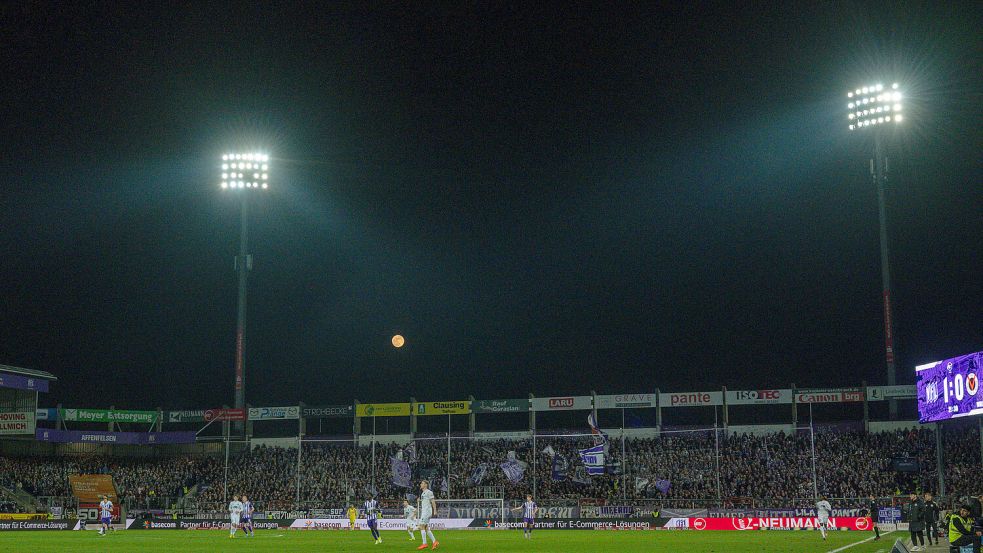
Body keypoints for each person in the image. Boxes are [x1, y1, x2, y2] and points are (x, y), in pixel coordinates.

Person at [416, 480, 439, 550]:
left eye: (422, 483)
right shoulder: (423, 493)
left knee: (421, 526)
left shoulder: (429, 492)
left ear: (426, 485)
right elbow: (425, 501)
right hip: (425, 511)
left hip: (427, 512)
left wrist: (435, 510)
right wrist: (419, 501)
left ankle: (424, 543)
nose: (420, 484)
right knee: (426, 528)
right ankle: (435, 542)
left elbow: (433, 501)